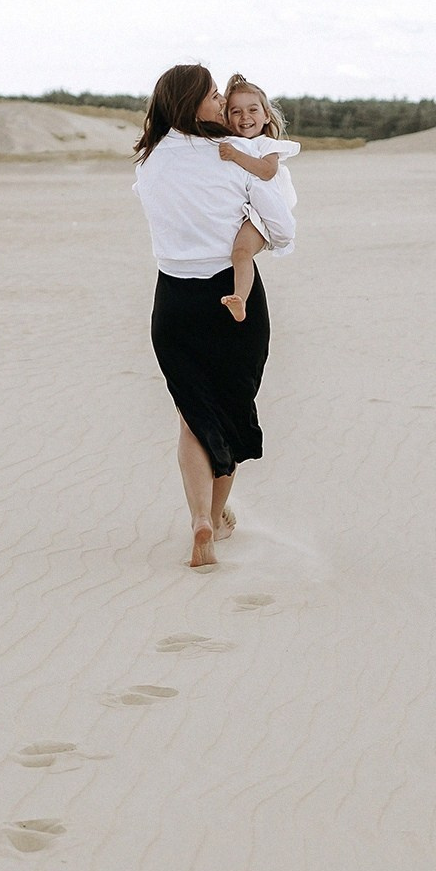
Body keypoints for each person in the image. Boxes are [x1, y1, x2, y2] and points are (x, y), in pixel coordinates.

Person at [130, 63, 296, 568]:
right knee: (229, 409)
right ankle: (216, 520)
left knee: (192, 415)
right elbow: (283, 230)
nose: (221, 102)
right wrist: (257, 233)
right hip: (231, 297)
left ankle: (199, 518)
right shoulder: (236, 155)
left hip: (174, 302)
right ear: (191, 102)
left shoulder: (150, 161)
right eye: (213, 95)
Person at [213, 74, 301, 322]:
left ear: (266, 116)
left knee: (242, 251)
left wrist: (235, 156)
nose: (245, 117)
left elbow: (266, 171)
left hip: (266, 214)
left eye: (253, 110)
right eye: (236, 112)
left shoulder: (267, 145)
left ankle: (240, 296)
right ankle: (239, 299)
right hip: (248, 213)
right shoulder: (228, 142)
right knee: (240, 253)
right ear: (227, 118)